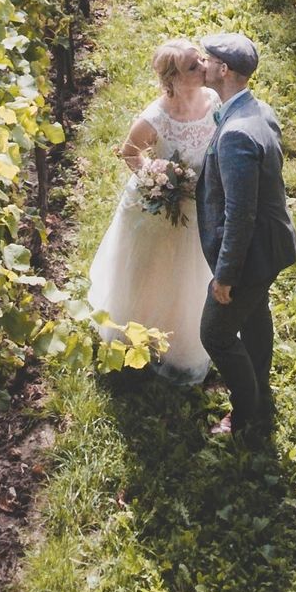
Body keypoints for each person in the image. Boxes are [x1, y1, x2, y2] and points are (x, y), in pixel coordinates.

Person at [83, 40, 220, 381]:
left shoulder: (214, 100)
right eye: (193, 66)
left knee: (189, 274)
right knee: (153, 270)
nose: (204, 67)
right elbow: (131, 153)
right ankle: (140, 334)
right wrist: (159, 178)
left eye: (201, 59)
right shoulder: (155, 118)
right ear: (172, 80)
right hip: (162, 208)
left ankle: (182, 338)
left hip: (198, 206)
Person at [194, 32, 296, 446]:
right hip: (271, 245)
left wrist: (224, 276)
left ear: (224, 70)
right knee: (254, 317)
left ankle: (246, 416)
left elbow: (240, 214)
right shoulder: (258, 109)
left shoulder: (237, 133)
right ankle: (261, 395)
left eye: (208, 59)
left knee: (215, 335)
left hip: (250, 253)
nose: (202, 64)